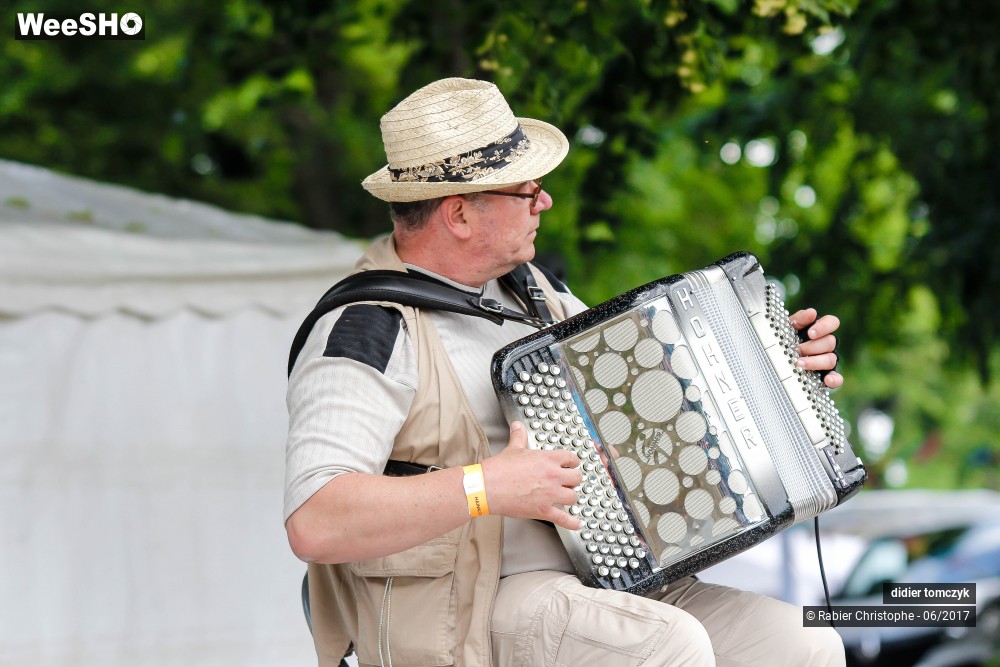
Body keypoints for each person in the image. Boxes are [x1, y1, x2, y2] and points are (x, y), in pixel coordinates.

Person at [284, 77, 846, 667]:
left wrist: (782, 369)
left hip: (611, 574)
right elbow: (316, 521)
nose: (543, 201)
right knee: (666, 646)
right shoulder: (368, 329)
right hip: (473, 605)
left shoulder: (538, 298)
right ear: (459, 216)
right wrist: (488, 486)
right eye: (526, 190)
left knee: (803, 644)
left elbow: (652, 407)